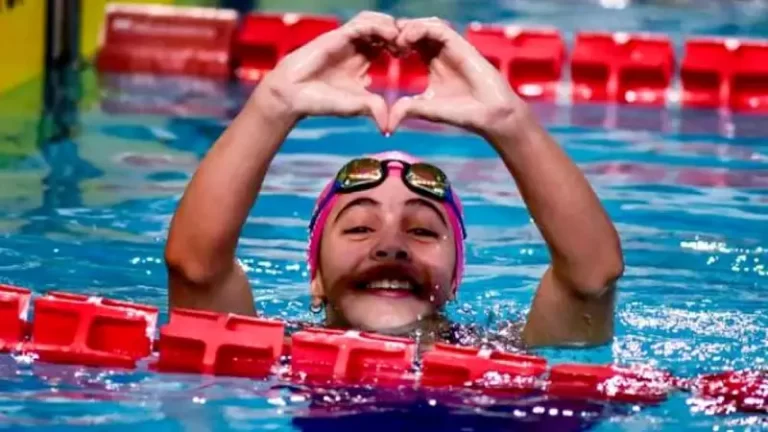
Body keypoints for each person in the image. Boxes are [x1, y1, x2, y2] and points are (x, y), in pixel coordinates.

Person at [164, 11, 624, 349]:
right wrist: (274, 104)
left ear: (456, 277)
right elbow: (196, 268)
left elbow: (591, 278)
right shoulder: (269, 353)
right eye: (360, 227)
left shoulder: (501, 357)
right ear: (317, 278)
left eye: (422, 230)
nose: (390, 247)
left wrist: (511, 123)